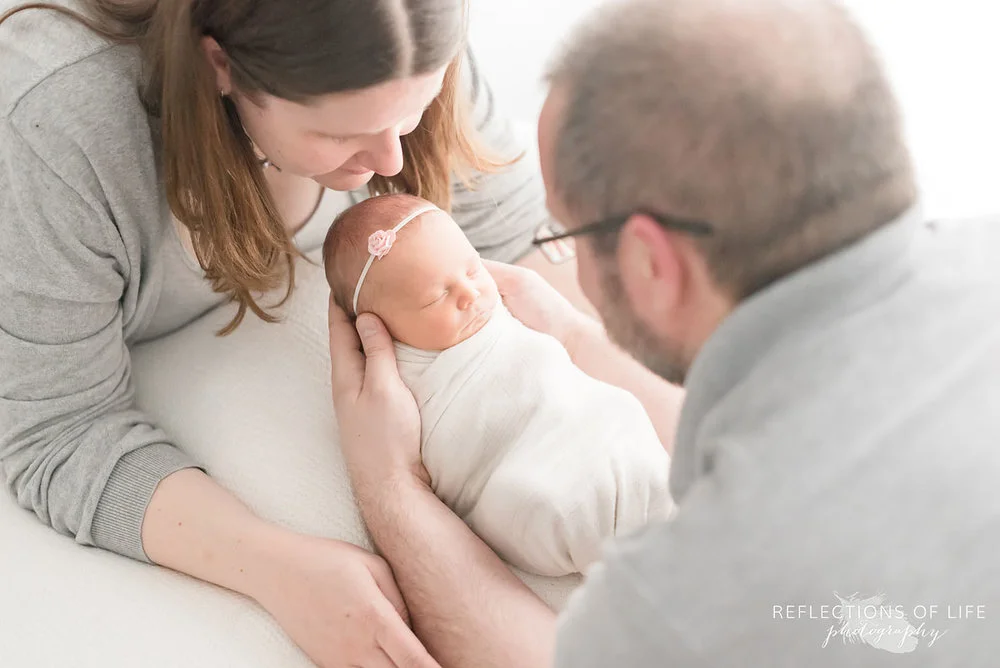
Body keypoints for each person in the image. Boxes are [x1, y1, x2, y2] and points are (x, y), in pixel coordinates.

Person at [327, 0, 1000, 665]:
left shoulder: (690, 594)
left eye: (564, 234)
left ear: (651, 263)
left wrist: (391, 489)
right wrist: (573, 336)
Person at [0, 0, 641, 665]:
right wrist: (279, 569)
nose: (390, 155)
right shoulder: (59, 122)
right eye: (341, 135)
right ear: (219, 64)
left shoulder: (406, 30)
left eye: (413, 110)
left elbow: (510, 232)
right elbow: (60, 429)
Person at [323, 193, 672, 577]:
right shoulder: (396, 378)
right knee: (561, 504)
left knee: (626, 428)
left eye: (472, 269)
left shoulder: (502, 309)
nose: (469, 294)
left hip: (590, 427)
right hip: (528, 485)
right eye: (437, 296)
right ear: (381, 324)